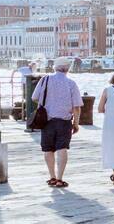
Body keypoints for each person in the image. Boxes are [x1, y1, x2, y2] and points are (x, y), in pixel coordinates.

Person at [32, 57, 84, 188]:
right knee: (62, 148)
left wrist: (47, 104)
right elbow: (77, 107)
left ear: (55, 67)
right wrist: (76, 124)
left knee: (48, 149)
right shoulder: (71, 83)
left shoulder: (45, 79)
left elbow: (34, 97)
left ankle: (52, 177)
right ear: (68, 68)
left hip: (47, 121)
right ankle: (60, 179)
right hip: (64, 121)